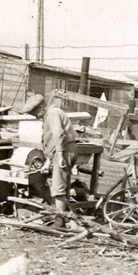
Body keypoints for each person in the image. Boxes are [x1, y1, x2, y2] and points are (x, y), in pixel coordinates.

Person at [39, 94, 79, 227]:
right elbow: (52, 142)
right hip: (61, 151)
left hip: (65, 151)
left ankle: (59, 222)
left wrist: (61, 156)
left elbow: (59, 134)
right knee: (59, 185)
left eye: (35, 114)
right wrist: (48, 161)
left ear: (40, 108)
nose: (36, 116)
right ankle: (62, 216)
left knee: (58, 187)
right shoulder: (51, 113)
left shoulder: (53, 113)